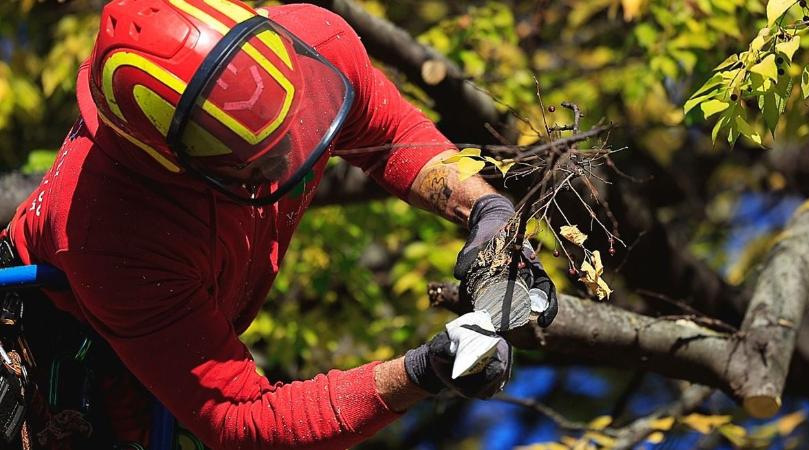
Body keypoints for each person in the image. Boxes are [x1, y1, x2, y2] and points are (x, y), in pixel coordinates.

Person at [0, 0, 557, 448]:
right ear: (171, 165)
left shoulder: (318, 43)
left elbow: (393, 134)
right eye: (254, 159)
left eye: (286, 120)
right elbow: (244, 422)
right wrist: (421, 373)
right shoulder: (116, 233)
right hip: (58, 348)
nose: (288, 155)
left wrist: (490, 212)